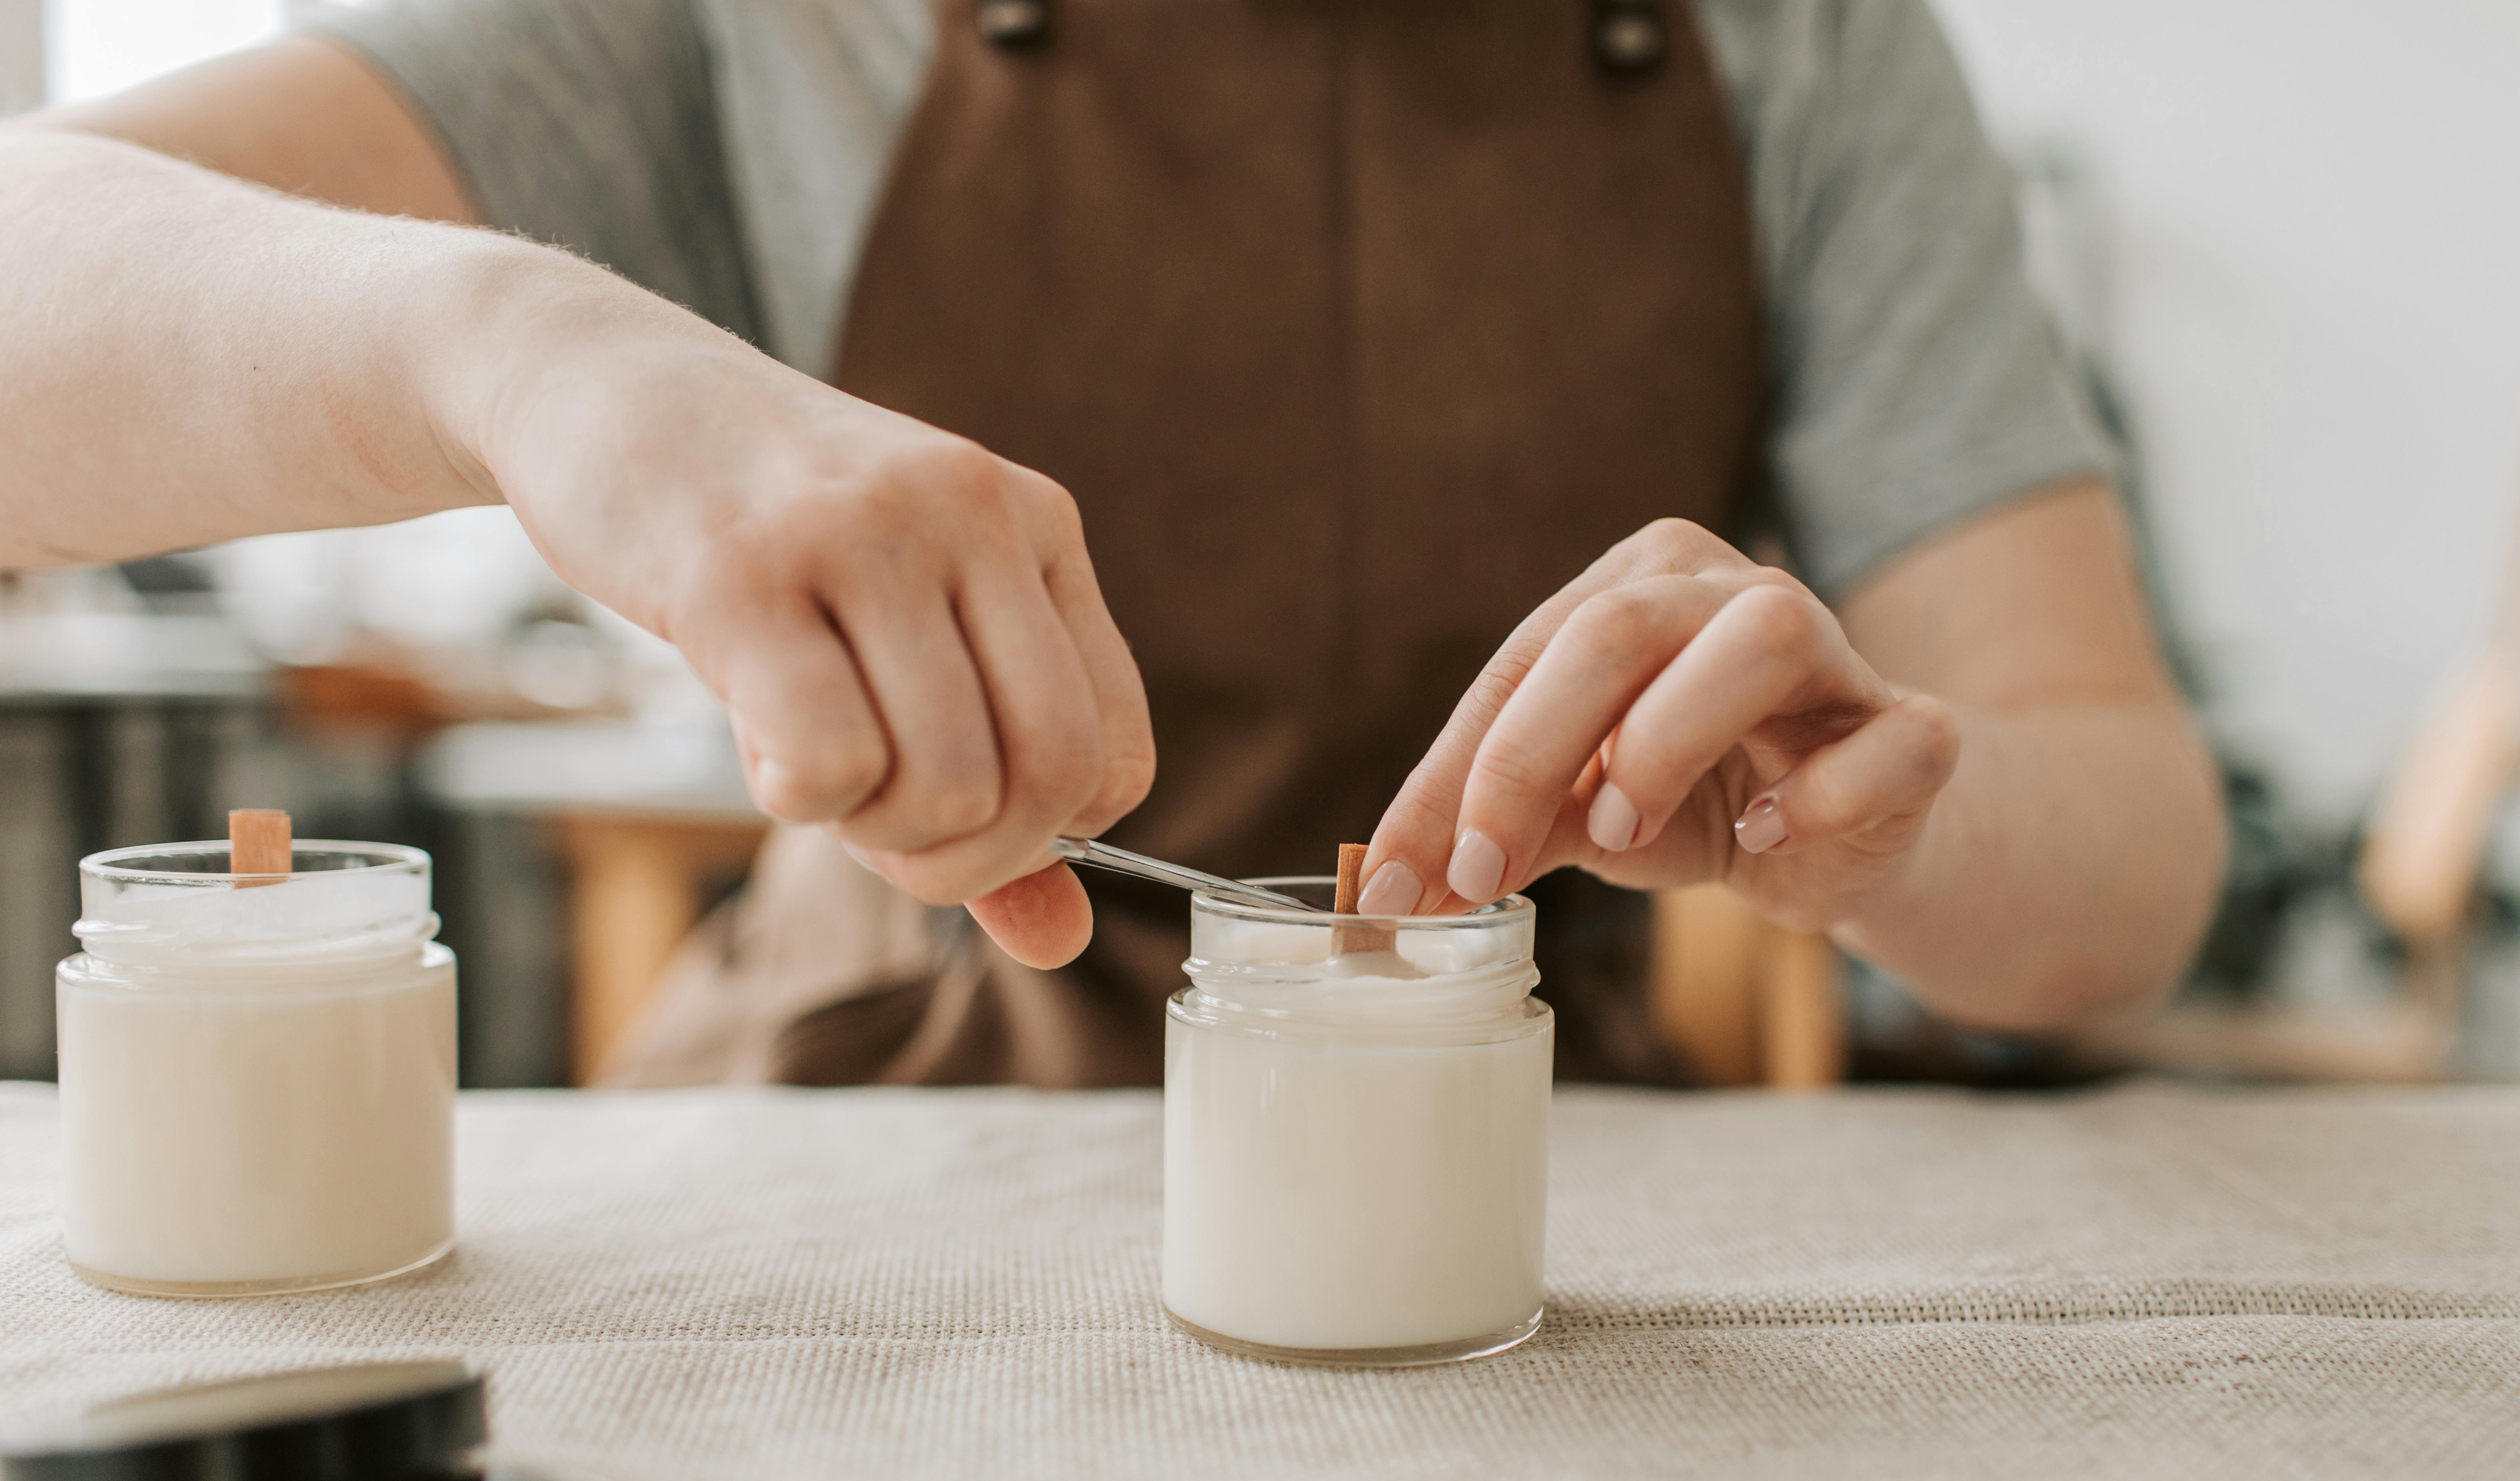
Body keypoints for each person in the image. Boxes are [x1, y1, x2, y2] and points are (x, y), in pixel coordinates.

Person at [0, 0, 2225, 1086]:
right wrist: (505, 340)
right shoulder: (763, 24)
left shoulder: (1802, 47)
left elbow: (2127, 852)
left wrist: (1891, 839)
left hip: (1523, 1201)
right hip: (850, 1161)